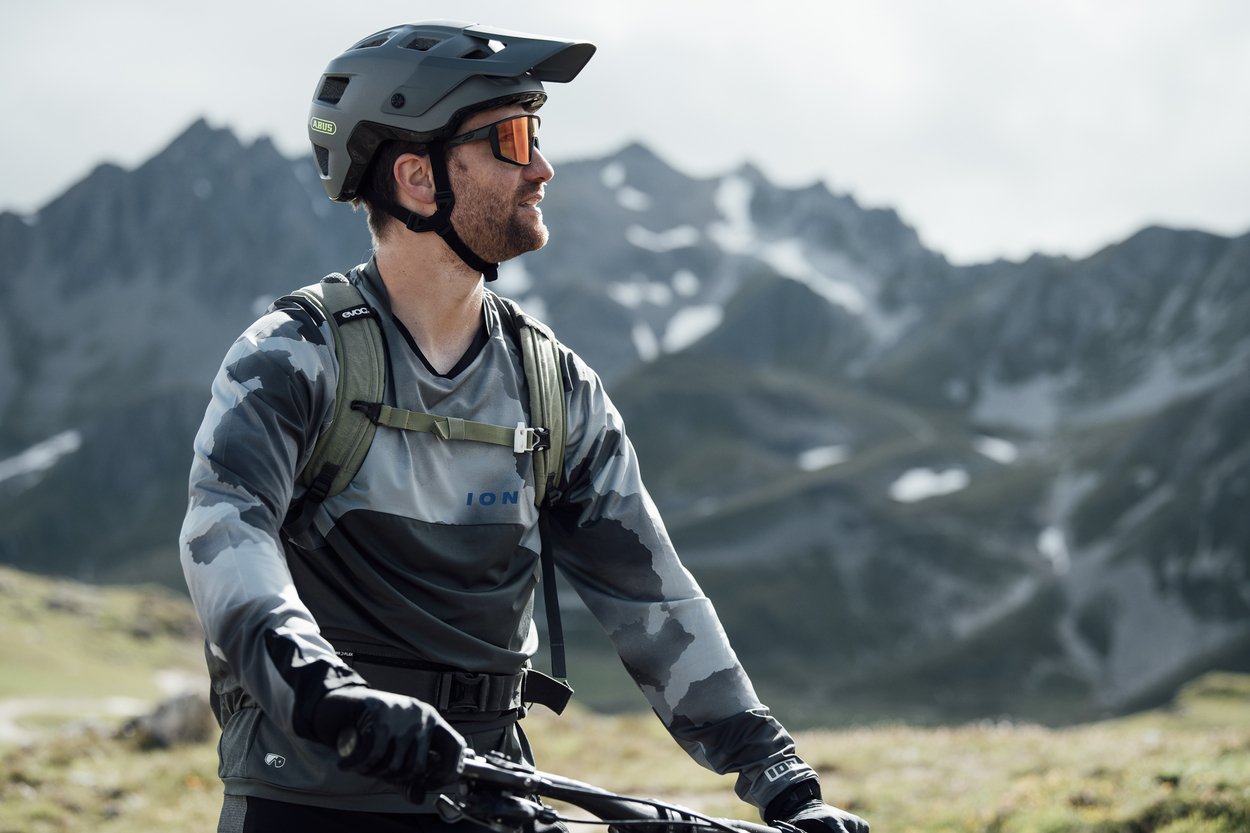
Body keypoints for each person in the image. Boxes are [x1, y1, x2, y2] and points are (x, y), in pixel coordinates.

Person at [179, 20, 869, 833]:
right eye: (513, 137)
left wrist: (783, 780)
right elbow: (227, 537)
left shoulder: (553, 388)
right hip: (309, 798)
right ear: (416, 176)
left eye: (537, 134)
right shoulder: (293, 357)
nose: (542, 167)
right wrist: (329, 694)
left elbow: (653, 599)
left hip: (488, 793)